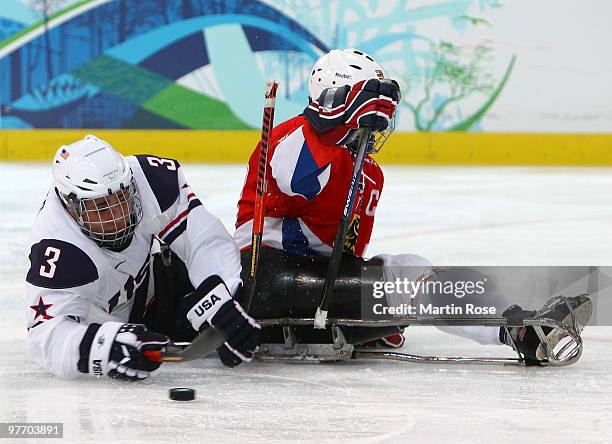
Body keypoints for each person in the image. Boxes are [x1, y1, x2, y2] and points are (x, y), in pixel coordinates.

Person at [234, 48, 593, 362]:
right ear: (334, 97)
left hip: (316, 283)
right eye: (366, 109)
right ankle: (516, 329)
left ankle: (516, 324)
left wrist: (370, 307)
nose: (373, 129)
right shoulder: (294, 135)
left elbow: (347, 252)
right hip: (262, 277)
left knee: (412, 270)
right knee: (400, 285)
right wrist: (344, 121)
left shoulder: (370, 175)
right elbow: (297, 182)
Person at [26, 135, 260, 381]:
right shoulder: (58, 248)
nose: (118, 216)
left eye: (121, 199)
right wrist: (107, 348)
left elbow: (204, 239)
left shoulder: (150, 180)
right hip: (113, 325)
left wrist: (220, 296)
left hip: (157, 286)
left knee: (251, 296)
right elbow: (46, 336)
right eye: (102, 209)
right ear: (73, 208)